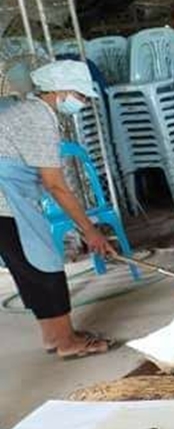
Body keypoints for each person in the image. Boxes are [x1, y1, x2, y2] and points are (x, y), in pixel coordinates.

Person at [0, 60, 117, 358]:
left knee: (27, 267)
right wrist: (91, 232)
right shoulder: (38, 118)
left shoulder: (32, 111)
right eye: (80, 96)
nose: (83, 102)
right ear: (60, 90)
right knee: (45, 266)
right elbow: (56, 185)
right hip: (5, 198)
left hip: (10, 197)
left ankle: (55, 336)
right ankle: (68, 343)